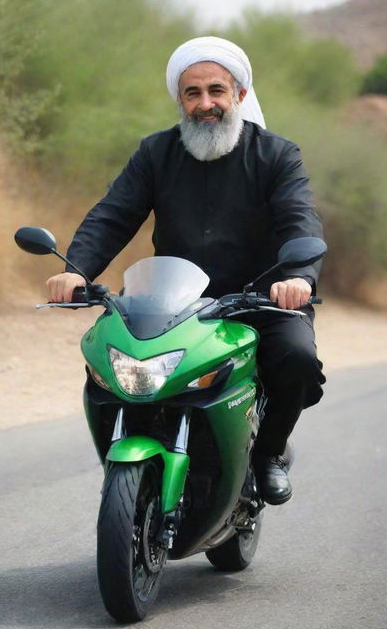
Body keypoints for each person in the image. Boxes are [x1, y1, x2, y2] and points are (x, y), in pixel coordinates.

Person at [46, 36, 326, 505]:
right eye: (192, 93)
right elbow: (113, 215)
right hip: (172, 303)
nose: (206, 104)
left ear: (239, 95)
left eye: (216, 90)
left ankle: (269, 453)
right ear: (180, 99)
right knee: (114, 359)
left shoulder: (277, 155)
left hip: (257, 301)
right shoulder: (156, 153)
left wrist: (297, 277)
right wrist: (76, 270)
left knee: (295, 358)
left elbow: (299, 217)